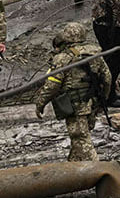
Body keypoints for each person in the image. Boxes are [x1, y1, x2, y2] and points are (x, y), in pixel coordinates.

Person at [33, 22, 112, 161]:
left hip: (75, 105)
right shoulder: (95, 52)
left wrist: (40, 103)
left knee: (81, 139)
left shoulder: (62, 58)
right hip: (92, 101)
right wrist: (102, 99)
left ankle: (100, 171)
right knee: (80, 137)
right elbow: (107, 78)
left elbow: (52, 85)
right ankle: (73, 165)